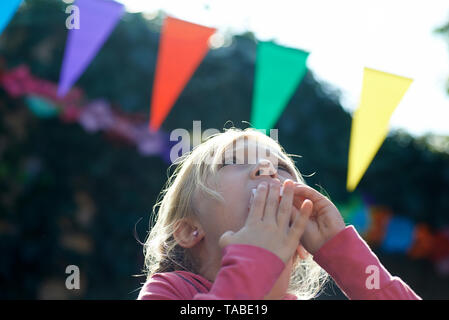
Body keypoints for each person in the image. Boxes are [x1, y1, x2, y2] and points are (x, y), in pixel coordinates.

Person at [137, 128, 421, 300]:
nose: (267, 168)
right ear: (189, 230)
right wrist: (254, 263)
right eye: (233, 162)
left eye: (281, 166)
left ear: (301, 246)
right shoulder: (171, 290)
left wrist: (341, 253)